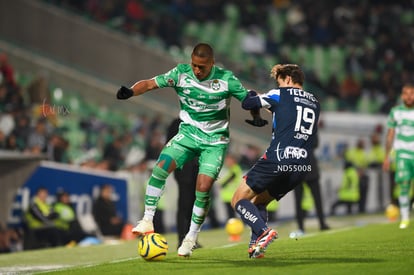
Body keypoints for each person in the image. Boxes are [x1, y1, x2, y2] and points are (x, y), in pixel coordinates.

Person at [116, 43, 267, 257]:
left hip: (214, 141)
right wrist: (131, 91)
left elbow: (249, 99)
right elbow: (150, 84)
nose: (197, 70)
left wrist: (256, 116)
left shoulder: (226, 79)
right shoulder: (180, 73)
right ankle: (147, 219)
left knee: (203, 187)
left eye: (202, 67)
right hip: (187, 135)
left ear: (212, 63)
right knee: (160, 168)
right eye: (194, 65)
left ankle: (191, 237)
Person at [231, 64, 320, 259]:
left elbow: (248, 103)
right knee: (260, 201)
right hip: (302, 165)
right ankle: (256, 247)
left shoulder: (280, 94)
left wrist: (250, 94)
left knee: (239, 199)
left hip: (278, 158)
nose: (279, 86)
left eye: (280, 82)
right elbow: (290, 115)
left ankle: (263, 231)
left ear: (288, 79)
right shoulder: (314, 101)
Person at [383, 83, 414, 229]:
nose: (409, 96)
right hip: (402, 153)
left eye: (411, 93)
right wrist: (387, 157)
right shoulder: (395, 112)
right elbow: (390, 135)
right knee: (404, 184)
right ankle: (405, 217)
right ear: (402, 96)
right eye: (406, 94)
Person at [292, 134, 329, 236]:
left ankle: (319, 224)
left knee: (316, 199)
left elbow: (315, 143)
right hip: (301, 167)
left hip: (303, 166)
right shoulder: (310, 126)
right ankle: (302, 226)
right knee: (301, 199)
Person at [218, 154, 243, 220]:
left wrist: (222, 184)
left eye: (228, 160)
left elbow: (230, 178)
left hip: (232, 195)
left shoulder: (235, 169)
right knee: (230, 212)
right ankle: (233, 224)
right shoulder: (232, 169)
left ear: (233, 160)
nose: (227, 162)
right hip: (228, 196)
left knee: (232, 213)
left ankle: (236, 224)